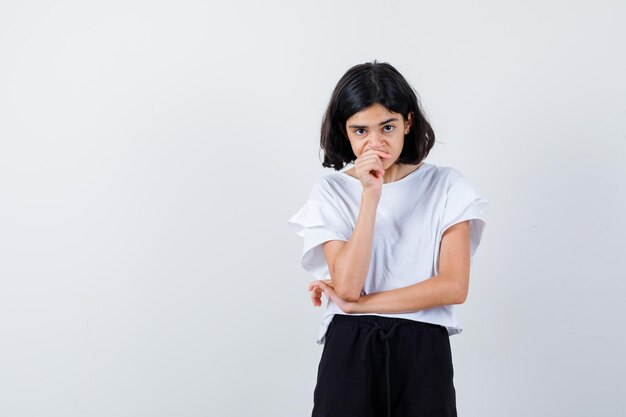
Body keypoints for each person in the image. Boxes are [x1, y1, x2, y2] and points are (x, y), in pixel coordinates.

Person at [287, 60, 489, 417]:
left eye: (388, 126)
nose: (375, 143)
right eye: (360, 131)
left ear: (408, 122)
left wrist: (361, 304)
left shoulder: (447, 186)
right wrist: (370, 195)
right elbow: (348, 287)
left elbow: (453, 286)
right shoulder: (331, 191)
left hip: (424, 346)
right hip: (350, 346)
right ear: (345, 131)